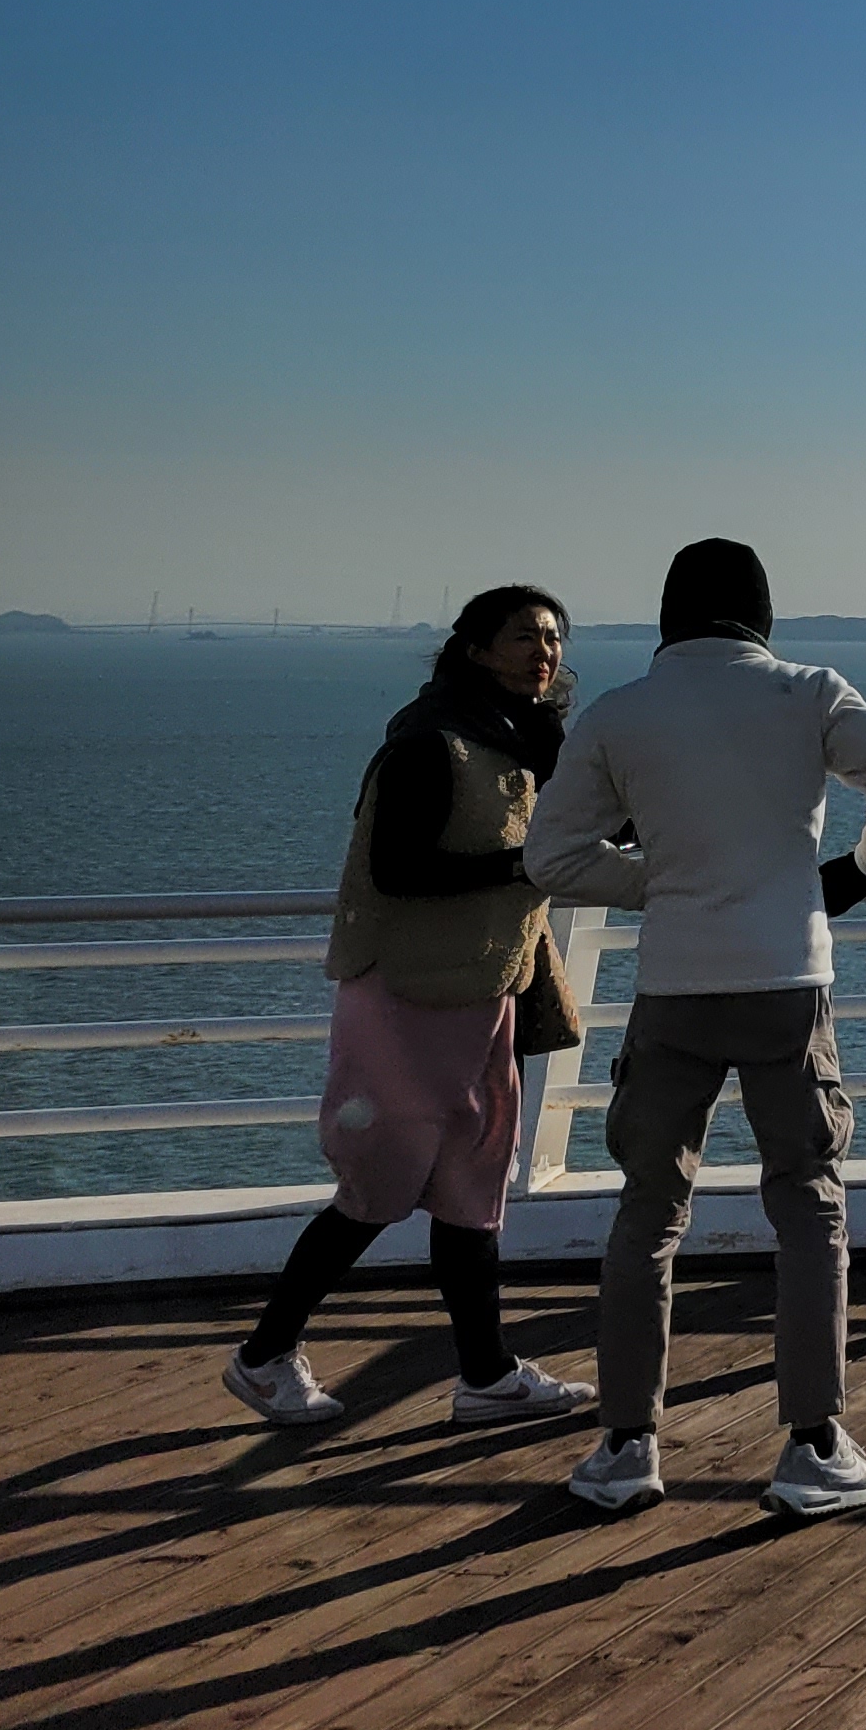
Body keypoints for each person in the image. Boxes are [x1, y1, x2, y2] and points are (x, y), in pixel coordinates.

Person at [525, 537, 866, 1521]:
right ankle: (813, 1446)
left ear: (669, 617)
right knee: (809, 1206)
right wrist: (859, 872)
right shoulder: (807, 692)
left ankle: (626, 1445)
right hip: (788, 986)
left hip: (674, 991)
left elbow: (551, 857)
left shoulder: (621, 713)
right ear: (763, 616)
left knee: (648, 1212)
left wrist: (660, 883)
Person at [223, 585, 600, 1431]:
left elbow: (568, 836)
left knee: (471, 1188)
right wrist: (526, 863)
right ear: (475, 650)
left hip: (486, 992)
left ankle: (487, 1376)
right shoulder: (431, 744)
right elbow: (398, 870)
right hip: (404, 1001)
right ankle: (263, 1357)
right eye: (524, 637)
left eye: (553, 638)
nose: (544, 652)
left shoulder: (527, 743)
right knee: (378, 1184)